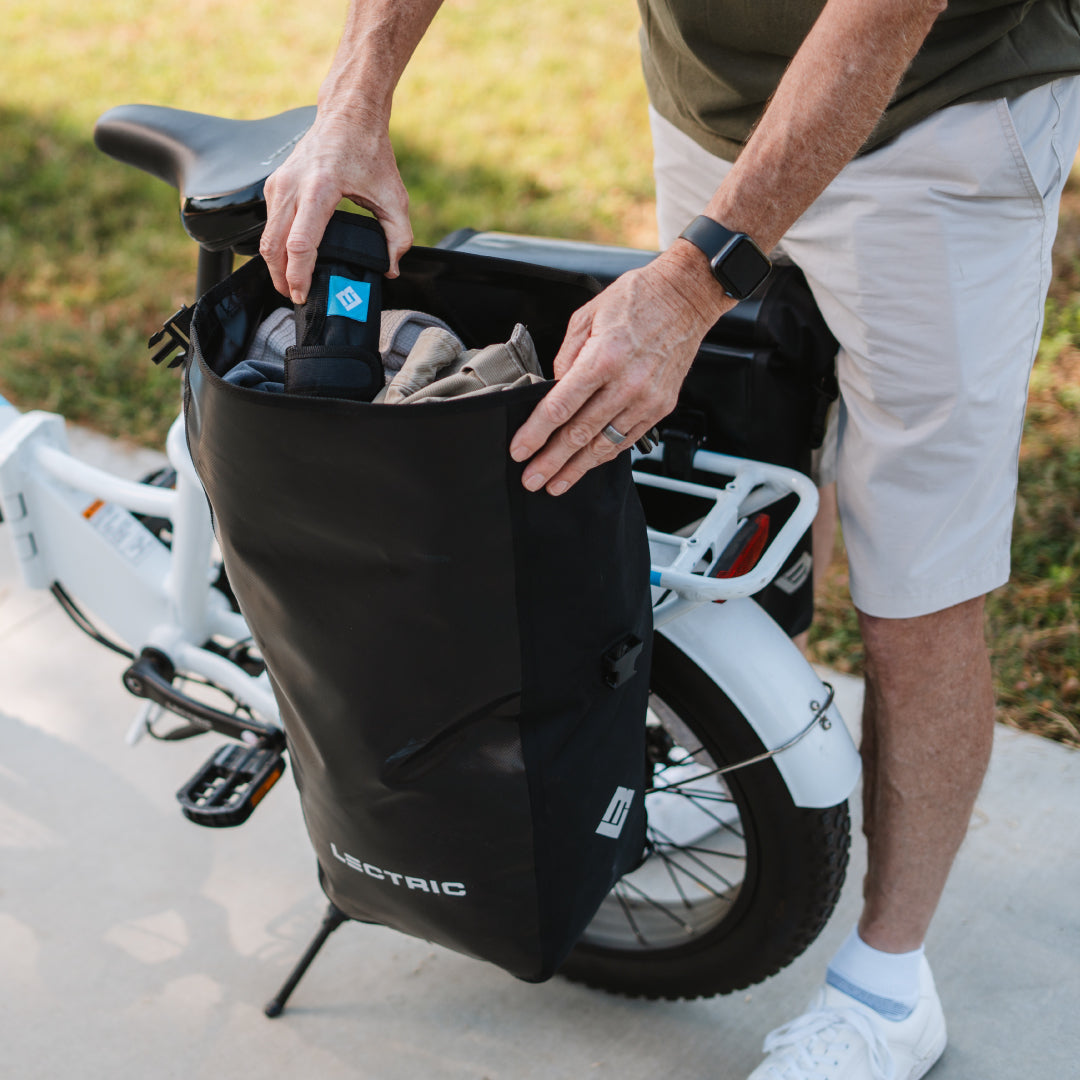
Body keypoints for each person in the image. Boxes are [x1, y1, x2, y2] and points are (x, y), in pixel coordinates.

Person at [259, 2, 1080, 1076]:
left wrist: (696, 280)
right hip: (710, 112)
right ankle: (736, 763)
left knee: (919, 577)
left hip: (944, 120)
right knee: (716, 484)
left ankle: (889, 991)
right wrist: (353, 98)